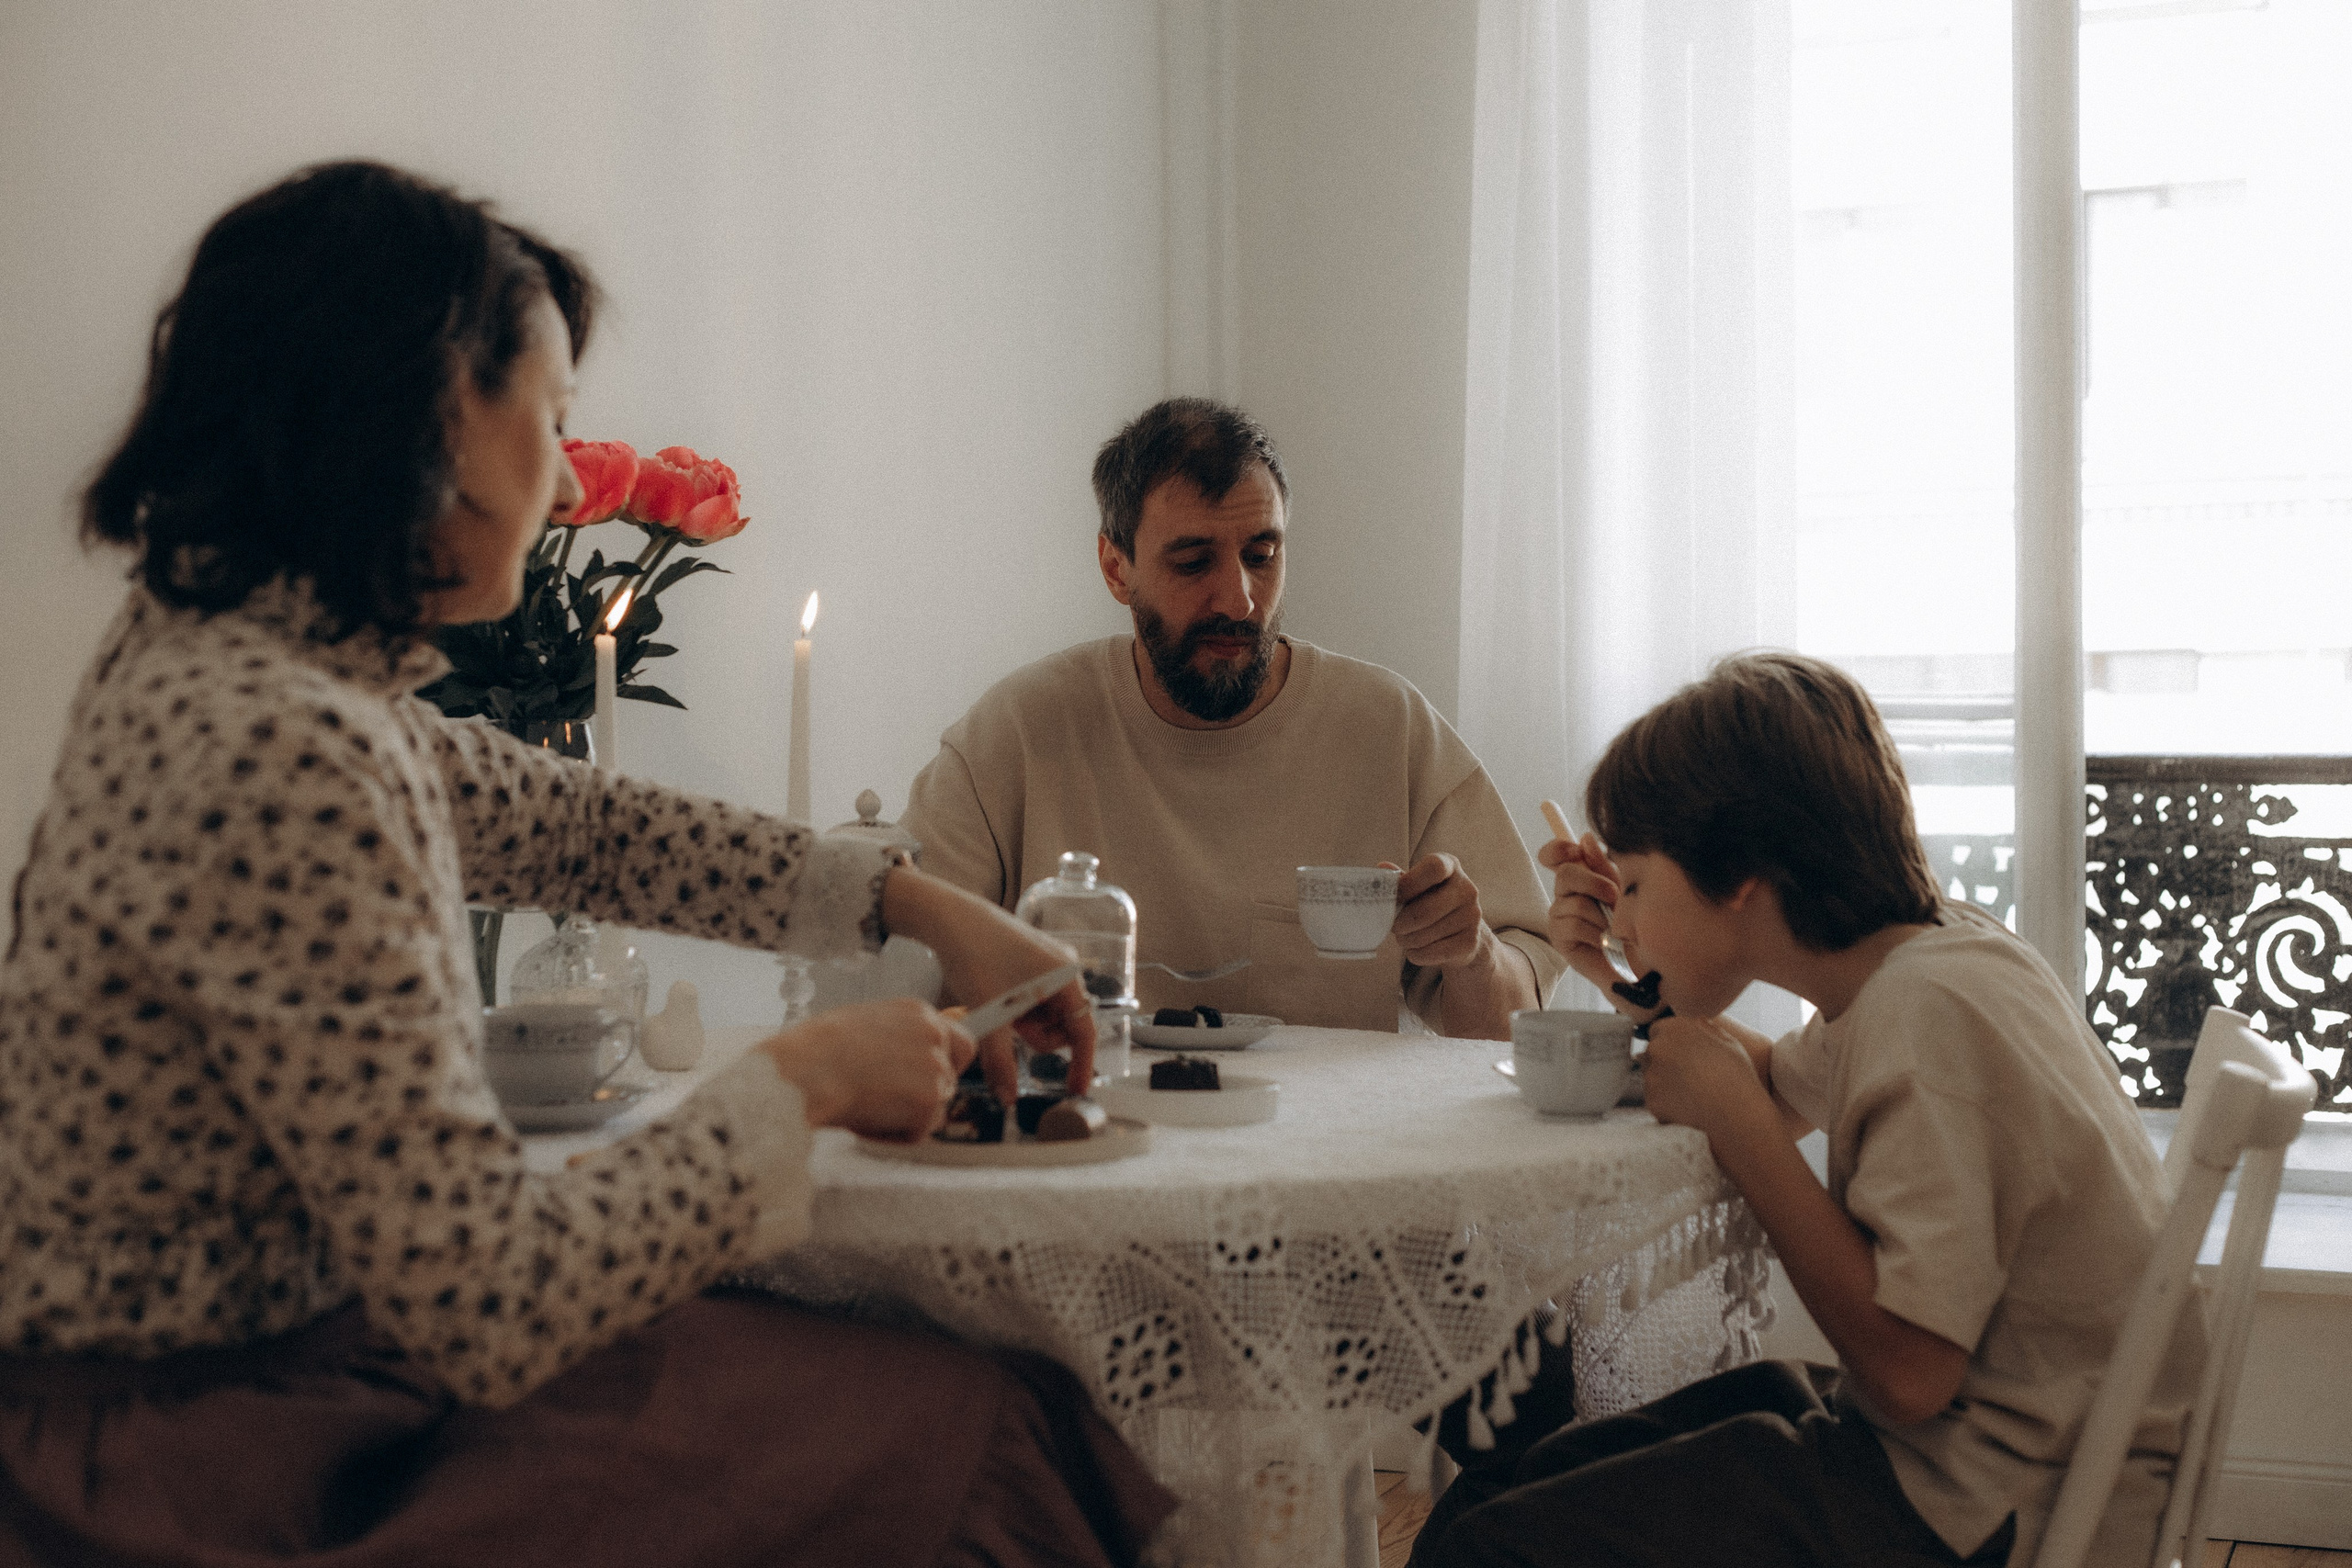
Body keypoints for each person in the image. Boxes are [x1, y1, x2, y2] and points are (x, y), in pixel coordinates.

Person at [0, 161, 1170, 1567]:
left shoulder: (233, 651)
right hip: (211, 1463)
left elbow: (575, 825)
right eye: (550, 419)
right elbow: (490, 1296)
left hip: (291, 1374)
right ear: (423, 413)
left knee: (931, 1400)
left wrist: (908, 898)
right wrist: (803, 1080)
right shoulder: (278, 740)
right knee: (961, 1439)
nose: (564, 480)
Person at [1409, 653, 2205, 1568]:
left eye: (1633, 884)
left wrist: (1742, 1136)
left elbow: (1907, 1376)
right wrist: (1619, 978)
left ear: (1740, 873)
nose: (1619, 916)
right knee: (1524, 1482)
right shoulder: (1937, 956)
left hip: (1984, 1503)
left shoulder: (1926, 1017)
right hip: (1994, 1458)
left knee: (1495, 1544)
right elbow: (1778, 1090)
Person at [899, 398, 1565, 1040]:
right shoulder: (1017, 732)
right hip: (1093, 1129)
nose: (1240, 599)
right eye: (1193, 562)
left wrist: (1471, 951)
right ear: (1116, 567)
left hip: (1327, 1146)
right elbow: (903, 975)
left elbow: (1511, 1028)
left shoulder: (1391, 730)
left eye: (1262, 555)